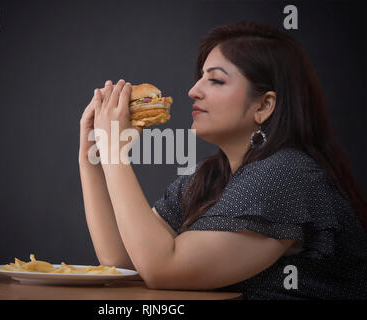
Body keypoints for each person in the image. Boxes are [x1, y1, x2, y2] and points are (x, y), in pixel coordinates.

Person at [78, 20, 367, 299]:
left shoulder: (286, 174)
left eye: (215, 80)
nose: (193, 91)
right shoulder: (211, 177)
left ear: (264, 105)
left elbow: (162, 268)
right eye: (200, 77)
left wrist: (116, 153)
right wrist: (92, 157)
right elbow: (123, 259)